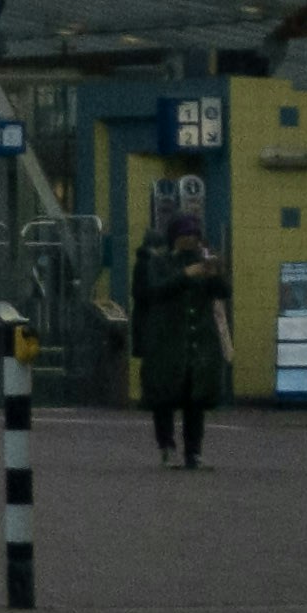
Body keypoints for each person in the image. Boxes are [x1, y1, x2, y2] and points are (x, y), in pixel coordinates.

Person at [128, 176, 236, 470]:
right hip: (166, 342)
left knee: (195, 400)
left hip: (198, 343)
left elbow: (223, 293)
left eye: (195, 235)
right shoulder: (159, 262)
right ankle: (167, 447)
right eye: (186, 235)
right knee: (164, 398)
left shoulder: (204, 259)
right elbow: (154, 291)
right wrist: (184, 275)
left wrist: (214, 272)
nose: (192, 240)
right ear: (175, 236)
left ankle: (194, 452)